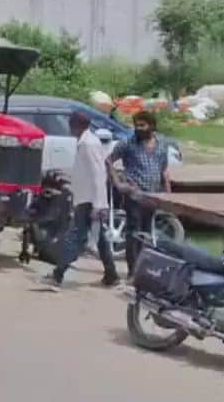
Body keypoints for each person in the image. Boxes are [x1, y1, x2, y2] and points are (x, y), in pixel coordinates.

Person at [42, 112, 118, 290]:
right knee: (100, 239)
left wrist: (99, 205)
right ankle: (111, 275)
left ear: (74, 125)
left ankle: (57, 275)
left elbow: (98, 174)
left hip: (90, 200)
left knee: (75, 237)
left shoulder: (89, 144)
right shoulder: (85, 141)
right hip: (86, 197)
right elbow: (85, 171)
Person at [108, 110, 173, 278]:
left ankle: (143, 271)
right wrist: (119, 183)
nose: (138, 128)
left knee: (146, 233)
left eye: (142, 125)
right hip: (134, 195)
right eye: (136, 125)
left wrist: (168, 192)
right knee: (134, 233)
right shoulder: (128, 143)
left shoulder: (162, 143)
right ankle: (132, 271)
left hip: (153, 196)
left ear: (151, 126)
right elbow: (109, 160)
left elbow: (164, 168)